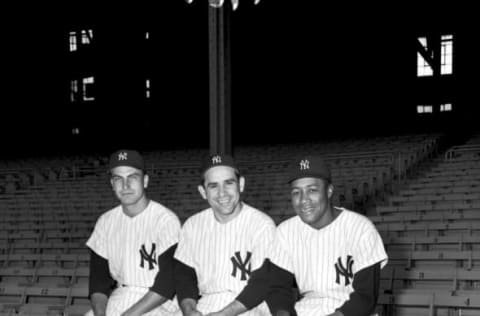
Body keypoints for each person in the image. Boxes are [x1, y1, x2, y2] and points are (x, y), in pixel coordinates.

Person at [267, 155, 388, 316]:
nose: (304, 200)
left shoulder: (361, 228)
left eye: (312, 190)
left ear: (329, 191)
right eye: (296, 192)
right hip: (305, 310)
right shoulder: (285, 231)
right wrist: (282, 312)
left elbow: (365, 296)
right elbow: (277, 288)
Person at [169, 153, 275, 316]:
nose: (222, 193)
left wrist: (224, 314)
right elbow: (184, 275)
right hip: (206, 302)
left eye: (229, 183)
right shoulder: (192, 225)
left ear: (241, 184)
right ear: (203, 192)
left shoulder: (262, 225)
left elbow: (262, 283)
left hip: (250, 306)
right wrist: (189, 309)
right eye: (213, 186)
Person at [85, 149, 181, 316]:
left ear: (145, 181)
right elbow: (98, 283)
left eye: (132, 177)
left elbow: (167, 284)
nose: (125, 185)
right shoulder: (105, 222)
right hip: (121, 295)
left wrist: (128, 315)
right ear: (111, 184)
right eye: (118, 179)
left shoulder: (166, 220)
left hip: (159, 302)